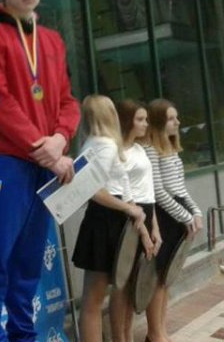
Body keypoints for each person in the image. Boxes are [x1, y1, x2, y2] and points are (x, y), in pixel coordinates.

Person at [0, 0, 81, 342]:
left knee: (29, 264)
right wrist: (43, 147)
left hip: (45, 166)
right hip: (7, 164)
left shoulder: (52, 40)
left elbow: (68, 101)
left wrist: (61, 138)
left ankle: (23, 336)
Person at [71, 95, 147, 342]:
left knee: (96, 298)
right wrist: (128, 209)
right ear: (109, 114)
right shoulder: (105, 145)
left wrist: (137, 218)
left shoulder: (92, 143)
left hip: (106, 220)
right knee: (93, 301)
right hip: (107, 221)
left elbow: (120, 185)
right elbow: (93, 190)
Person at [141, 99, 202, 342]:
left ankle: (161, 331)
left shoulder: (171, 147)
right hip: (163, 216)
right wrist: (185, 216)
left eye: (176, 117)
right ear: (158, 123)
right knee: (158, 277)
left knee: (168, 277)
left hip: (178, 214)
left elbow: (180, 188)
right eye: (171, 118)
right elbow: (158, 192)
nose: (177, 122)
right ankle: (154, 334)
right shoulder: (151, 149)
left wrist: (195, 212)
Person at [108, 99, 161, 342]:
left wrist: (155, 228)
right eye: (140, 119)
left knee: (134, 283)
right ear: (127, 121)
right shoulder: (118, 152)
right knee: (122, 284)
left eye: (146, 119)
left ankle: (128, 335)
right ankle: (119, 338)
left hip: (146, 213)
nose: (145, 124)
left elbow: (149, 193)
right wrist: (142, 231)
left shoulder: (140, 149)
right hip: (130, 218)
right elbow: (127, 196)